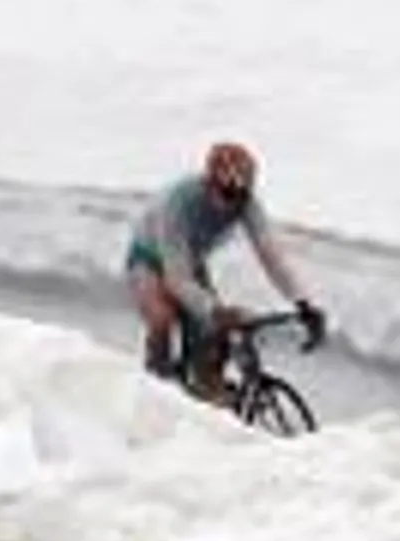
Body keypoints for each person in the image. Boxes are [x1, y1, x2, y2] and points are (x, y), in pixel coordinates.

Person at [124, 140, 324, 405]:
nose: (233, 205)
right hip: (149, 259)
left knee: (213, 331)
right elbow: (176, 278)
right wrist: (213, 310)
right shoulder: (179, 202)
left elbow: (271, 256)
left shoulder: (245, 202)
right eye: (227, 195)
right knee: (163, 318)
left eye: (241, 197)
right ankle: (154, 390)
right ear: (209, 184)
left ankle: (208, 390)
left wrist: (303, 302)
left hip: (190, 260)